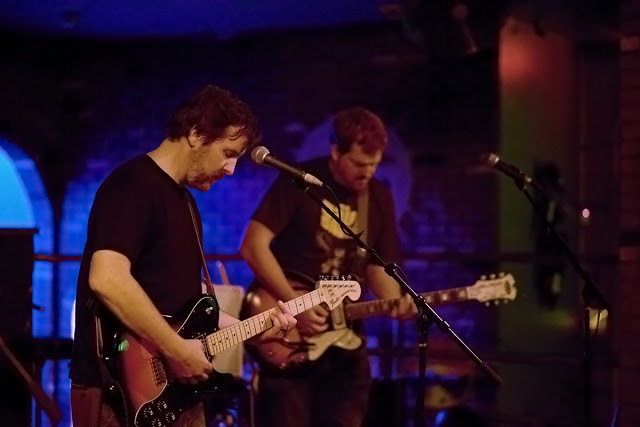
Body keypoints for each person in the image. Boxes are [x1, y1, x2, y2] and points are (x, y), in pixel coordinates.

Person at [69, 85, 297, 427]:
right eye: (228, 153)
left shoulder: (186, 203)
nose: (231, 169)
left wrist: (255, 329)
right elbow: (107, 279)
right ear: (195, 133)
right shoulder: (133, 185)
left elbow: (185, 304)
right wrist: (177, 351)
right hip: (118, 392)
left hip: (177, 393)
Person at [240, 107, 416, 427]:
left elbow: (378, 267)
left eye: (374, 164)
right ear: (336, 151)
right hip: (292, 336)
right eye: (359, 164)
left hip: (346, 344)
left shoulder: (379, 197)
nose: (367, 173)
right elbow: (253, 245)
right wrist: (295, 304)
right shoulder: (300, 182)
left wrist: (396, 302)